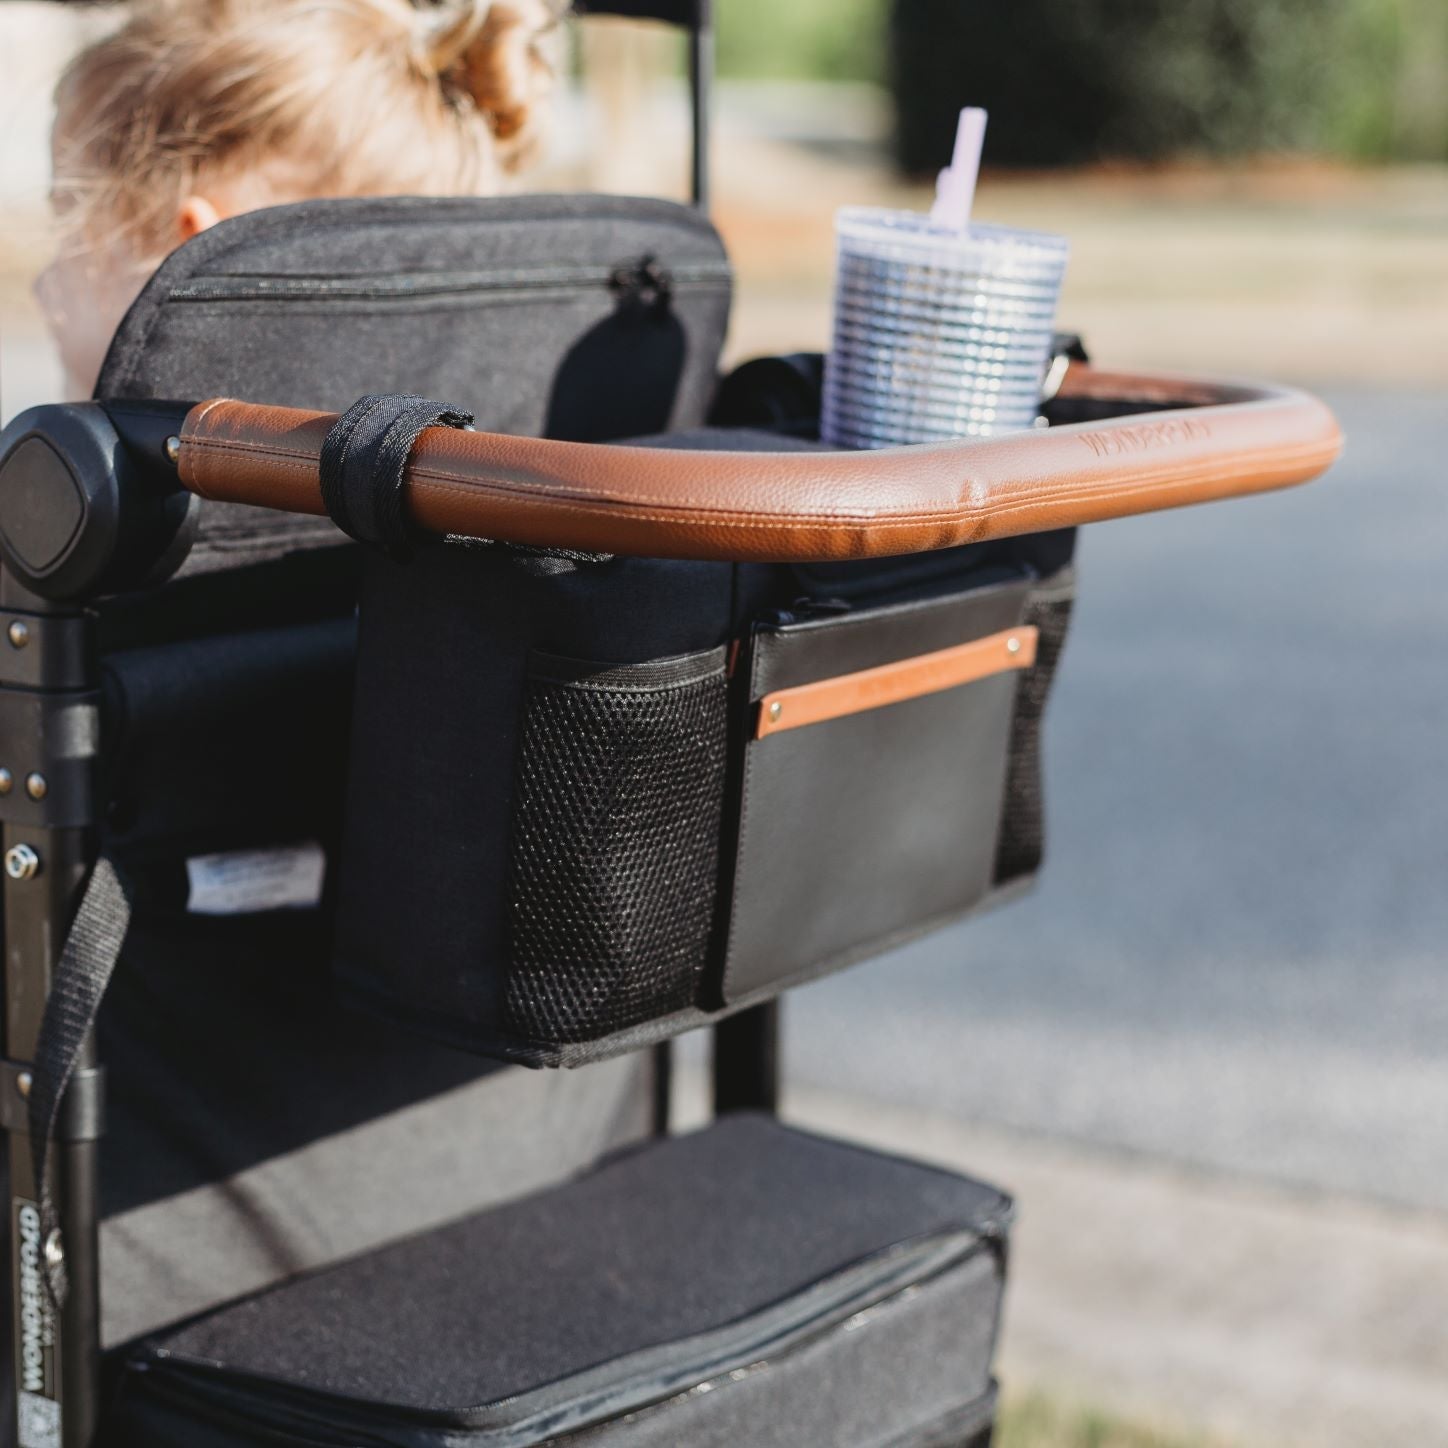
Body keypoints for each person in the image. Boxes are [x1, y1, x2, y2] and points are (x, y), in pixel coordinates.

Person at [35, 0, 562, 399]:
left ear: (190, 272)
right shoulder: (452, 463)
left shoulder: (134, 501)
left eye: (67, 232)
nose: (42, 286)